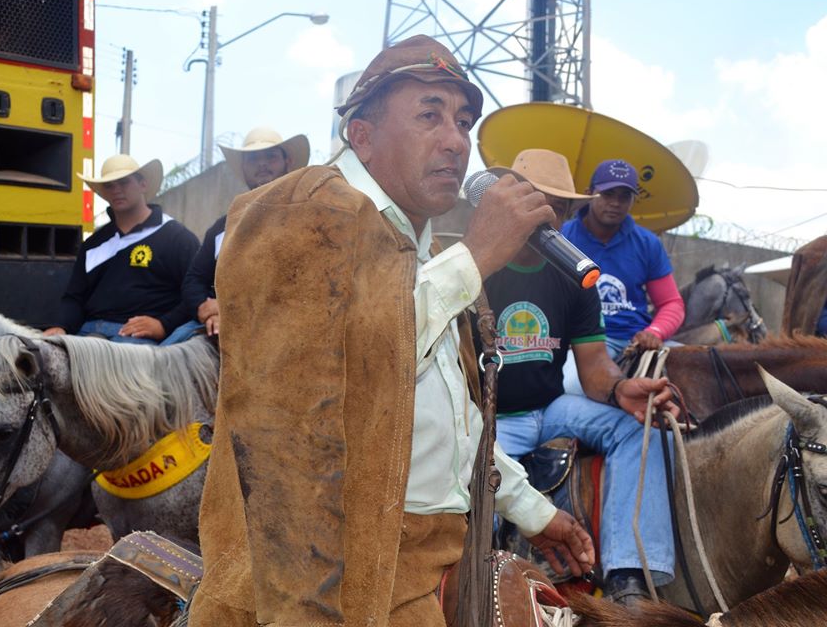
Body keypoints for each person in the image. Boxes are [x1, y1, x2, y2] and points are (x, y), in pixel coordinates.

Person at [188, 36, 594, 627]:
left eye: (462, 121)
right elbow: (296, 426)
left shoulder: (417, 249)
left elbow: (445, 422)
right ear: (363, 135)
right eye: (429, 114)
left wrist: (533, 511)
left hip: (424, 564)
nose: (455, 140)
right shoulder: (303, 204)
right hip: (346, 579)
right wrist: (475, 258)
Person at [483, 148, 680, 606]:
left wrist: (618, 389)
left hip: (551, 408)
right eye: (536, 198)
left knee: (644, 429)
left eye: (560, 204)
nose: (548, 213)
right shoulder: (480, 266)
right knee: (471, 487)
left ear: (569, 211)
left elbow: (593, 366)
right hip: (494, 420)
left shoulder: (577, 276)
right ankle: (481, 580)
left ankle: (630, 576)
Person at [43, 155, 201, 345]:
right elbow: (74, 298)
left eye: (123, 182)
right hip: (88, 333)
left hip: (138, 341)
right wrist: (62, 326)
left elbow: (198, 292)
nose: (116, 190)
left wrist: (163, 325)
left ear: (143, 184)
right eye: (109, 185)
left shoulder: (177, 237)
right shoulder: (93, 244)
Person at [181, 127, 309, 336]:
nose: (262, 164)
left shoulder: (306, 220)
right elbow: (194, 280)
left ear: (288, 162)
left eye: (271, 156)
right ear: (243, 167)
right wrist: (207, 311)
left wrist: (227, 308)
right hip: (214, 328)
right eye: (253, 158)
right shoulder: (222, 227)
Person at [561, 159, 685, 359]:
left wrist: (654, 332)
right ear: (589, 193)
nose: (615, 203)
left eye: (624, 196)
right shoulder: (562, 238)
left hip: (636, 341)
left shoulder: (647, 243)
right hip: (583, 341)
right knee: (572, 385)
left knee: (702, 368)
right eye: (607, 194)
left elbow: (671, 303)